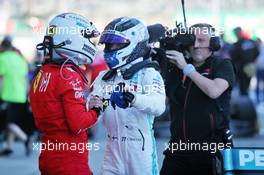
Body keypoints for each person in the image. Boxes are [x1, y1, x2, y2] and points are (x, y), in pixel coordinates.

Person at [29, 13, 102, 175]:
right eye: (87, 37)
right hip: (70, 162)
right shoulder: (67, 75)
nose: (91, 42)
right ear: (72, 37)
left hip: (48, 157)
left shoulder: (41, 73)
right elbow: (78, 124)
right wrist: (97, 110)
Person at [91, 17, 166, 175]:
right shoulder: (103, 77)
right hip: (112, 152)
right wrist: (92, 106)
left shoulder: (150, 74)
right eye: (109, 44)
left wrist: (134, 98)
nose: (111, 48)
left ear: (135, 43)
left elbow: (159, 106)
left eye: (117, 44)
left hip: (141, 152)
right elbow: (93, 116)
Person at [160, 23, 236, 175]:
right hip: (177, 148)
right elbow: (161, 105)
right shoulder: (176, 68)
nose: (195, 45)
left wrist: (187, 69)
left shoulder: (222, 65)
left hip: (211, 150)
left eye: (201, 40)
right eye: (192, 40)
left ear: (213, 43)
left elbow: (214, 91)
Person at [0, 35, 29, 156]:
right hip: (21, 95)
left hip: (7, 94)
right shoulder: (20, 59)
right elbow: (25, 78)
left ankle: (25, 138)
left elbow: (1, 78)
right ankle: (8, 146)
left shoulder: (2, 58)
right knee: (11, 121)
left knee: (7, 123)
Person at [229, 27, 259, 96]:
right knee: (246, 86)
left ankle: (244, 101)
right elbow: (257, 52)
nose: (236, 34)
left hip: (242, 67)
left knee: (243, 86)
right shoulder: (251, 41)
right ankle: (245, 99)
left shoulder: (238, 44)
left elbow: (233, 57)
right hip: (250, 66)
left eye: (236, 33)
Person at [255, 38, 264, 104]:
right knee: (258, 84)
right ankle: (258, 98)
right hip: (259, 68)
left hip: (261, 68)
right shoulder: (256, 49)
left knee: (259, 84)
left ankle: (259, 98)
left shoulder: (261, 48)